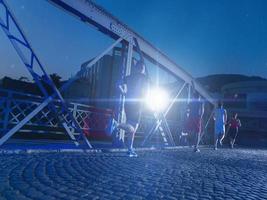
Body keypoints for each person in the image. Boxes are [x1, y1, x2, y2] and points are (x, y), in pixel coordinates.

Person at [109, 60, 149, 157]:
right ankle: (116, 124)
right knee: (133, 128)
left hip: (128, 103)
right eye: (143, 68)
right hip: (137, 104)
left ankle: (130, 149)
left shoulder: (129, 77)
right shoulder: (144, 78)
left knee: (130, 126)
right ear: (142, 68)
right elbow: (146, 93)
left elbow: (117, 84)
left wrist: (123, 92)